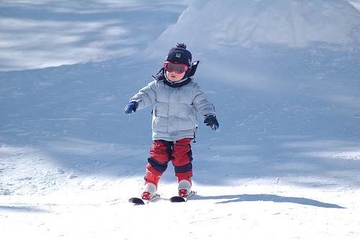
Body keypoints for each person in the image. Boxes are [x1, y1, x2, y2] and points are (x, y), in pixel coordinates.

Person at [124, 43, 219, 200]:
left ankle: (184, 185)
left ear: (187, 70)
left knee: (182, 158)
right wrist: (135, 103)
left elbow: (203, 104)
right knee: (156, 159)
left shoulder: (193, 89)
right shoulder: (157, 86)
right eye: (170, 67)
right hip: (161, 132)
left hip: (184, 132)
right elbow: (145, 95)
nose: (174, 72)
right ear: (164, 67)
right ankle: (150, 186)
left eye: (179, 69)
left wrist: (209, 116)